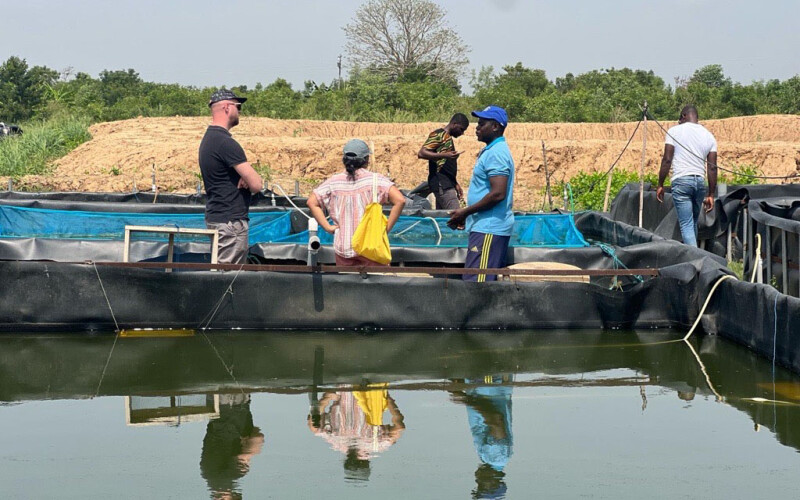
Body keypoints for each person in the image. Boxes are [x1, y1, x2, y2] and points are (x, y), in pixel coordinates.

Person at [307, 139, 406, 266]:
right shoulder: (376, 180)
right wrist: (386, 229)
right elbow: (400, 200)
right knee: (376, 284)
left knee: (347, 284)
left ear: (344, 159)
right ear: (366, 160)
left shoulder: (334, 182)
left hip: (344, 246)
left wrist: (327, 227)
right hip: (370, 245)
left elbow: (311, 202)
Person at [447, 106, 515, 282]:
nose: (477, 128)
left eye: (481, 124)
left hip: (489, 229)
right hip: (484, 227)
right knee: (478, 282)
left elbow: (498, 193)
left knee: (477, 285)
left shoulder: (497, 153)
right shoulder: (491, 150)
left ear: (495, 127)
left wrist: (465, 211)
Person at [199, 89, 263, 264]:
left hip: (218, 218)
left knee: (222, 273)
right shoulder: (225, 143)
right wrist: (249, 179)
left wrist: (243, 176)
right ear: (227, 107)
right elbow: (257, 184)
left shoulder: (210, 139)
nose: (240, 111)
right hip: (230, 222)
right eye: (238, 106)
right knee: (228, 278)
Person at [307, 385, 406, 482]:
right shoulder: (339, 443)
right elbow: (314, 427)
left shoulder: (376, 445)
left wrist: (387, 400)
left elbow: (399, 428)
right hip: (349, 386)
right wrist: (386, 400)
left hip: (361, 387)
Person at [656, 105, 718, 247]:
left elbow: (667, 159)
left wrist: (660, 184)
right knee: (692, 223)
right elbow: (712, 167)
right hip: (699, 182)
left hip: (682, 181)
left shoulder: (674, 131)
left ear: (684, 116)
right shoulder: (709, 135)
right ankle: (696, 259)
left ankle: (696, 260)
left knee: (686, 225)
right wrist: (711, 194)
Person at [417, 113, 470, 210]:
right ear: (454, 124)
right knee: (456, 217)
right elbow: (421, 153)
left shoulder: (447, 138)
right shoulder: (438, 135)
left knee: (443, 220)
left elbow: (445, 167)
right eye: (461, 129)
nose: (462, 133)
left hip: (446, 183)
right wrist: (445, 155)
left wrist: (455, 183)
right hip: (442, 184)